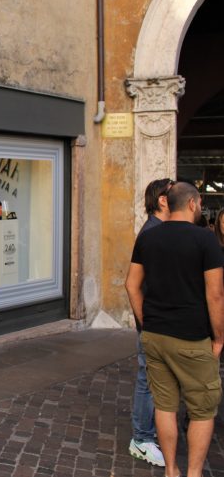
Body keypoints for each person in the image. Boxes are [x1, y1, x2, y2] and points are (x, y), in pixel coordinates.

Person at [125, 181, 224, 477]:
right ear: (193, 204)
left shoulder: (148, 237)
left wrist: (146, 322)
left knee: (165, 406)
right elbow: (215, 294)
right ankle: (193, 473)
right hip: (192, 336)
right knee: (202, 410)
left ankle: (171, 470)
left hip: (155, 335)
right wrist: (219, 337)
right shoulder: (205, 240)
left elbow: (131, 284)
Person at [127, 178, 172, 467]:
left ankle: (148, 434)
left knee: (154, 380)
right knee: (148, 380)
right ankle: (142, 439)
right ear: (163, 201)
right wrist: (147, 325)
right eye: (173, 192)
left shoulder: (161, 231)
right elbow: (133, 285)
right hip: (153, 324)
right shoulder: (152, 234)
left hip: (158, 324)